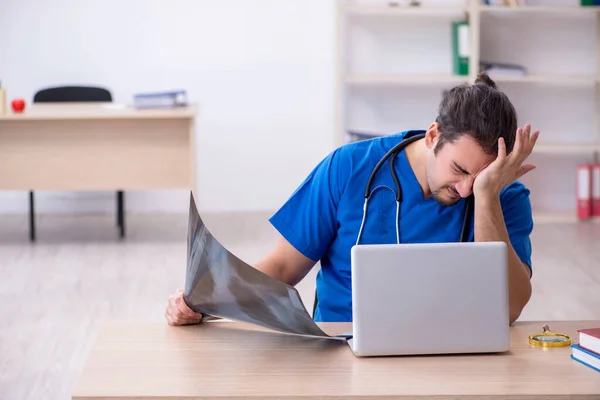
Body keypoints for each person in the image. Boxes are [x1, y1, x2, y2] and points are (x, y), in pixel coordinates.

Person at [165, 73, 538, 327]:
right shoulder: (349, 168)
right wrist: (207, 302)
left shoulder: (504, 195)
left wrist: (489, 196)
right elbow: (282, 269)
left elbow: (507, 309)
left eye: (482, 177)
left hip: (452, 351)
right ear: (433, 135)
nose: (466, 189)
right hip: (342, 345)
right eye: (459, 169)